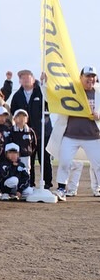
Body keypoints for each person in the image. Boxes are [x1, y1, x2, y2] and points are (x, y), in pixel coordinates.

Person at [47, 66, 100, 201]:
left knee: (98, 165)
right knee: (64, 162)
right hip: (70, 135)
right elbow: (51, 94)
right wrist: (44, 83)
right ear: (81, 77)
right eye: (87, 76)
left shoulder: (98, 92)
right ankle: (61, 189)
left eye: (93, 76)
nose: (90, 79)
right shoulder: (71, 90)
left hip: (93, 136)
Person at [10, 69, 53, 188]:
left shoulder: (41, 91)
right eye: (22, 78)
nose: (25, 79)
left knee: (45, 158)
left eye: (27, 77)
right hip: (26, 134)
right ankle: (29, 183)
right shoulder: (17, 96)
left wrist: (46, 83)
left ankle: (47, 184)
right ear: (20, 81)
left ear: (33, 79)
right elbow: (13, 112)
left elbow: (51, 102)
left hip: (43, 132)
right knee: (29, 159)